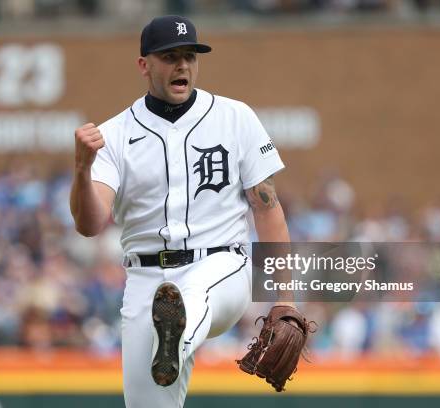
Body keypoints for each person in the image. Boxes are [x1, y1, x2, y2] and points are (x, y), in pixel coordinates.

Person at [70, 15, 294, 407]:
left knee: (192, 294)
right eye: (170, 56)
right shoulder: (116, 134)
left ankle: (177, 335)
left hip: (222, 265)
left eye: (190, 56)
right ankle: (170, 339)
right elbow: (90, 224)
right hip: (144, 278)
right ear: (144, 65)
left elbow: (268, 210)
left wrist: (285, 299)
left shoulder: (234, 117)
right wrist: (82, 170)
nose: (182, 65)